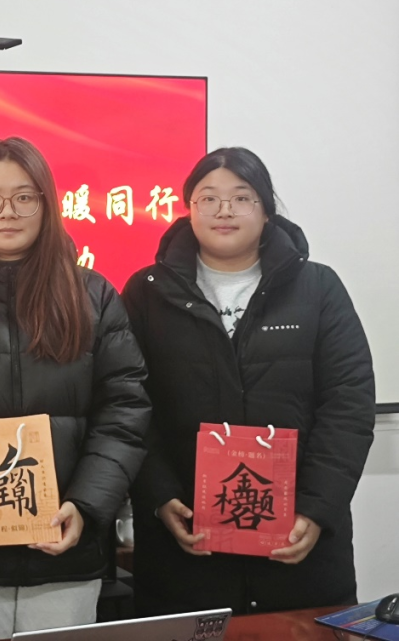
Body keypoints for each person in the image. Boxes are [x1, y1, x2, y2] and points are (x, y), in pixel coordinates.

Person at [0, 137, 150, 641]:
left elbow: (124, 412)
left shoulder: (93, 296)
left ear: (47, 204)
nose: (7, 212)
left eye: (24, 197)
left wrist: (85, 507)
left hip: (66, 549)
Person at [123, 146, 375, 616]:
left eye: (241, 198)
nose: (224, 211)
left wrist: (315, 509)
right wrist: (160, 497)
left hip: (299, 546)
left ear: (266, 209)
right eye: (208, 198)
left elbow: (349, 404)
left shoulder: (318, 288)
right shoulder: (146, 292)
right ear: (189, 208)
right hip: (186, 547)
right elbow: (130, 403)